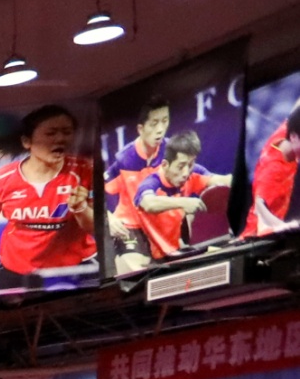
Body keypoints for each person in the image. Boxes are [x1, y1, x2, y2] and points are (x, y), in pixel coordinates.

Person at [0, 104, 98, 293]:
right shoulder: (1, 179)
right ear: (27, 142)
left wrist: (80, 208)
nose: (60, 139)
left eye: (67, 132)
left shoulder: (86, 171)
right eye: (51, 133)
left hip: (76, 265)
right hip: (15, 269)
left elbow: (95, 227)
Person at [115, 132, 236, 273]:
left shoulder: (193, 172)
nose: (186, 172)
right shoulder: (151, 182)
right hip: (137, 231)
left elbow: (221, 181)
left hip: (166, 241)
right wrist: (183, 202)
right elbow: (149, 204)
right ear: (165, 165)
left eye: (190, 164)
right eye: (180, 166)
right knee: (134, 272)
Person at [103, 101, 173, 247]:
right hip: (131, 227)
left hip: (163, 226)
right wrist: (108, 217)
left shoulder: (172, 151)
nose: (160, 129)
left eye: (165, 121)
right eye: (154, 124)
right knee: (132, 262)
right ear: (141, 129)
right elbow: (93, 194)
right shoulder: (125, 159)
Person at [242, 109, 297, 238]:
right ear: (294, 137)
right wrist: (289, 228)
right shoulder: (272, 172)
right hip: (258, 239)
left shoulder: (290, 128)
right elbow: (261, 213)